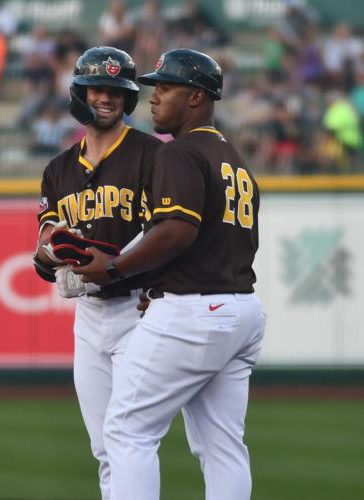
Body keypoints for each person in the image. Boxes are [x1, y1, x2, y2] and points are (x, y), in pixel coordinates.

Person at [72, 48, 266, 500]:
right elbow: (216, 239)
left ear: (196, 97)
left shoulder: (179, 152)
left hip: (196, 311)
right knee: (222, 446)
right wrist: (158, 279)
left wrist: (117, 268)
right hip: (243, 310)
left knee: (124, 428)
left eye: (166, 86)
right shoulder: (233, 159)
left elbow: (177, 230)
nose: (154, 96)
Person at [33, 46, 161, 500]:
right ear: (79, 94)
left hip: (140, 309)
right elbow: (44, 250)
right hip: (87, 316)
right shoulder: (58, 170)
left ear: (128, 99)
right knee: (104, 447)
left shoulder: (151, 155)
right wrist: (52, 253)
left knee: (129, 438)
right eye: (95, 89)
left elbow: (170, 234)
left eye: (115, 90)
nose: (104, 98)